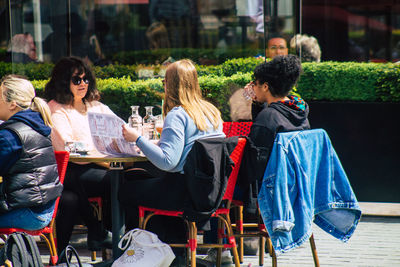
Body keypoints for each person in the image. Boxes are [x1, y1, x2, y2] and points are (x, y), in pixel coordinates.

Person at [119, 59, 225, 265]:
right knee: (153, 186)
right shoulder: (212, 113)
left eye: (165, 81)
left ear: (172, 84)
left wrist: (137, 138)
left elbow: (169, 162)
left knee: (125, 191)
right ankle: (174, 249)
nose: (163, 85)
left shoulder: (178, 115)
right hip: (209, 192)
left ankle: (140, 253)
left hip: (183, 192)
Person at [44, 56, 114, 254]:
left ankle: (101, 232)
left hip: (90, 168)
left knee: (121, 178)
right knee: (112, 179)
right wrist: (105, 160)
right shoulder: (55, 109)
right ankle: (101, 231)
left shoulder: (95, 106)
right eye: (77, 80)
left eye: (86, 79)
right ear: (64, 82)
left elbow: (119, 129)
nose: (83, 84)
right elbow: (69, 150)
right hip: (69, 169)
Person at [240, 54, 310, 214]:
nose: (252, 87)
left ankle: (219, 237)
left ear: (265, 86)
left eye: (255, 84)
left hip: (271, 191)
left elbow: (252, 167)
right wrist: (258, 103)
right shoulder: (298, 109)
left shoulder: (268, 117)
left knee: (220, 190)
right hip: (296, 185)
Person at [0, 75, 63, 230]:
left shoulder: (11, 135)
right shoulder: (36, 124)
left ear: (12, 104)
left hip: (28, 212)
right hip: (43, 209)